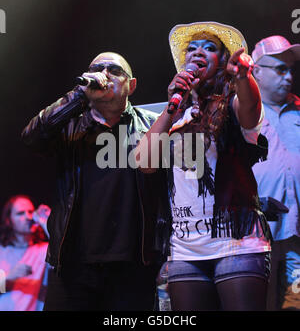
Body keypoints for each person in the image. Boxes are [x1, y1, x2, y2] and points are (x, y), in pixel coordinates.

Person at [135, 21, 272, 311]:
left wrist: (244, 77)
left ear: (222, 62)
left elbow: (250, 112)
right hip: (185, 248)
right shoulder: (175, 115)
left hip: (236, 244)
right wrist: (173, 105)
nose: (199, 51)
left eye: (210, 48)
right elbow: (144, 163)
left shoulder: (232, 102)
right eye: (192, 48)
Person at [21, 52, 168, 311]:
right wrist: (79, 96)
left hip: (134, 269)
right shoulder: (69, 126)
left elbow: (172, 193)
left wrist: (169, 254)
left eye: (113, 69)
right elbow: (31, 137)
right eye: (97, 68)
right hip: (73, 267)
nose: (104, 74)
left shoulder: (151, 127)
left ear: (131, 85)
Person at [251, 36, 300, 310]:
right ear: (256, 71)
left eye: (292, 70)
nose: (289, 76)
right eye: (280, 69)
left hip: (296, 233)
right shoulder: (240, 113)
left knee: (295, 303)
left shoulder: (299, 111)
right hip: (256, 235)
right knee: (259, 303)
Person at [0, 194, 50, 311]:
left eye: (30, 212)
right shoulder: (2, 250)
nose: (28, 217)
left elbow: (64, 253)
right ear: (9, 220)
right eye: (20, 213)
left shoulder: (43, 250)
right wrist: (7, 277)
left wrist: (46, 223)